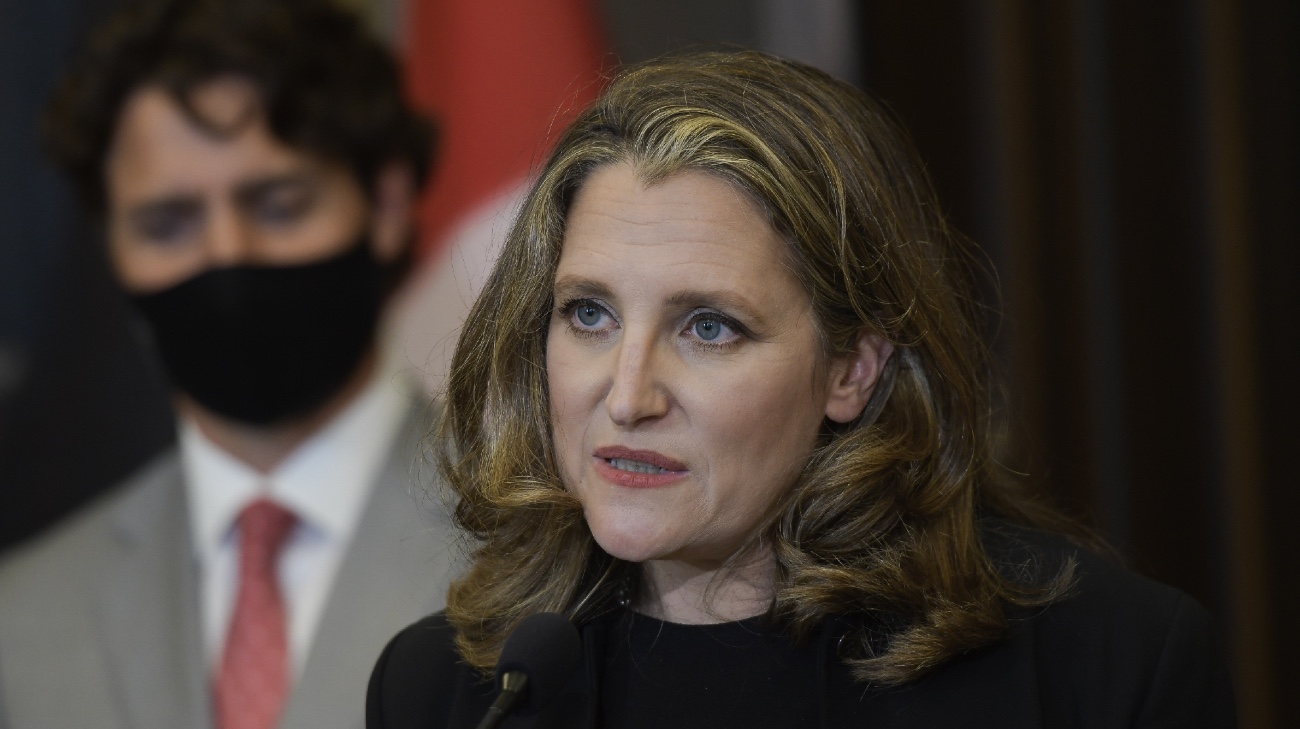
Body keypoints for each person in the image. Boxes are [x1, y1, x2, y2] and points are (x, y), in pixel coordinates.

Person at [365, 50, 1237, 729]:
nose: (627, 396)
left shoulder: (1106, 667)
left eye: (709, 327)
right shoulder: (448, 690)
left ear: (853, 368)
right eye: (589, 314)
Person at [0, 1, 458, 728]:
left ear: (387, 203)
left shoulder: (553, 551)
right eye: (167, 224)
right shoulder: (22, 618)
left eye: (279, 205)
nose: (226, 253)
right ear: (110, 244)